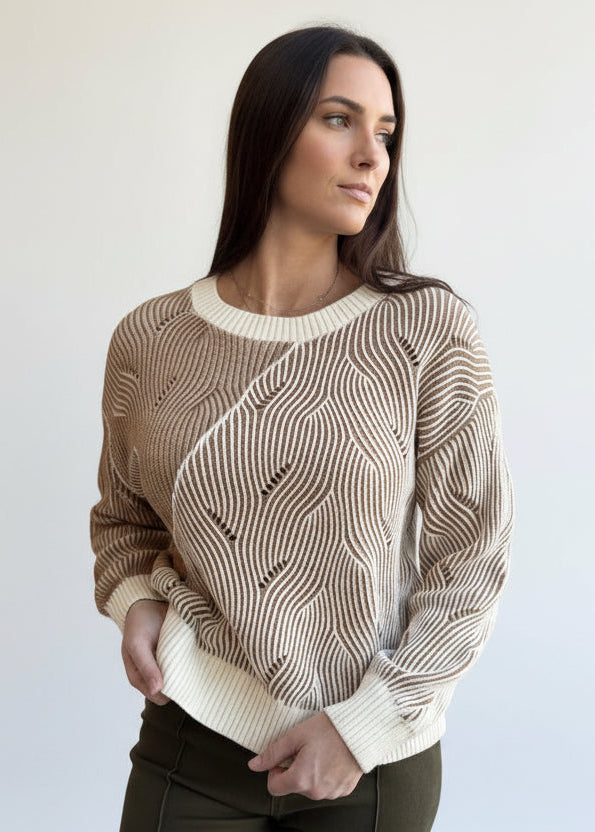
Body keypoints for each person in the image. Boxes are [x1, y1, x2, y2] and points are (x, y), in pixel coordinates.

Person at [89, 23, 515, 832]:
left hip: (369, 758)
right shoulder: (149, 338)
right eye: (338, 119)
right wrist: (137, 600)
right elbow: (123, 519)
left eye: (385, 133)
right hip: (194, 735)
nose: (372, 155)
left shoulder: (425, 330)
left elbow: (473, 556)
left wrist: (363, 729)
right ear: (269, 128)